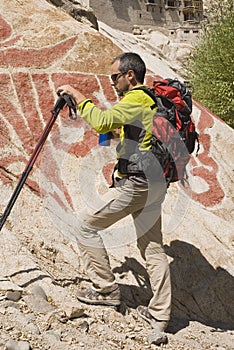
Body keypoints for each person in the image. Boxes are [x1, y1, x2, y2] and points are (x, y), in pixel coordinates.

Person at [58, 52, 171, 345]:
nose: (112, 83)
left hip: (137, 185)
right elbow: (125, 133)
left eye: (114, 77)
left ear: (129, 75)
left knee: (85, 227)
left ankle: (106, 290)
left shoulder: (135, 99)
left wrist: (77, 95)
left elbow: (101, 121)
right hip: (156, 183)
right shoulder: (151, 101)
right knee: (153, 247)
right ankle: (160, 315)